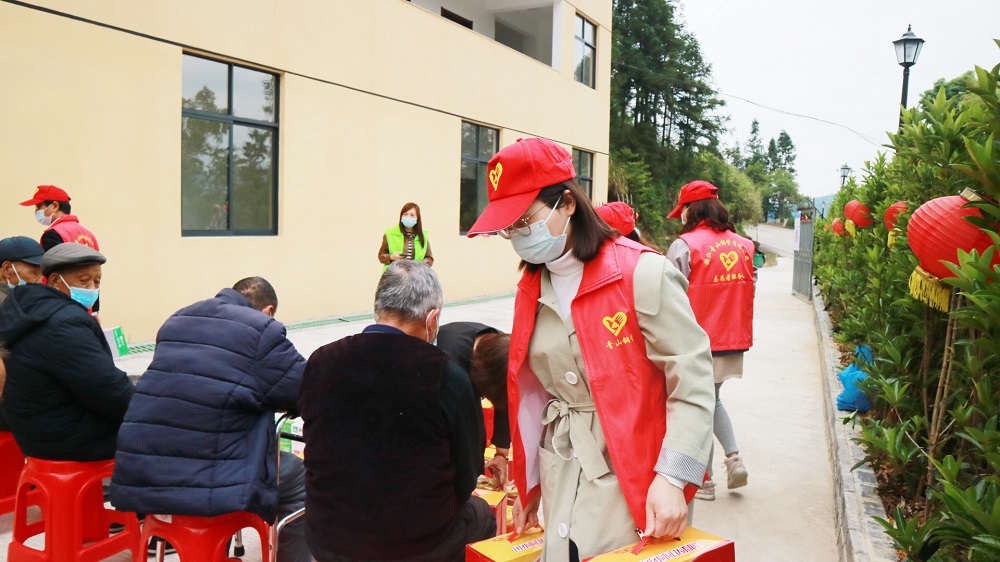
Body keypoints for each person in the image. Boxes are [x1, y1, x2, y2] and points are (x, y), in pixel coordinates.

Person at [466, 137, 715, 561]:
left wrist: (674, 477)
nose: (518, 236)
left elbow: (692, 379)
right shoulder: (531, 288)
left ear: (567, 203)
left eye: (524, 221)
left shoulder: (641, 273)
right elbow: (532, 391)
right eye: (509, 228)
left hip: (634, 466)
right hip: (562, 458)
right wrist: (529, 482)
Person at [300, 261, 494, 562]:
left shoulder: (320, 361)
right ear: (432, 318)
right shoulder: (446, 376)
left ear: (378, 308)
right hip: (418, 544)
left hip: (327, 538)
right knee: (482, 513)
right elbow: (467, 475)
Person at [109, 277, 309, 562]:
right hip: (202, 478)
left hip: (145, 470)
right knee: (298, 476)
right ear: (268, 310)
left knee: (217, 443)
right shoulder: (261, 329)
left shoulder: (178, 319)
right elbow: (304, 390)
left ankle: (212, 552)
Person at [0, 243, 132, 461]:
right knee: (164, 432)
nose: (91, 288)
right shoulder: (64, 323)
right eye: (83, 280)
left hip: (35, 432)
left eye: (97, 281)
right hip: (65, 440)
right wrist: (148, 412)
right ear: (54, 281)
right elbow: (107, 389)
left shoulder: (27, 307)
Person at [665, 180, 755, 501]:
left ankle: (704, 479)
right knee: (711, 400)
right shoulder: (745, 246)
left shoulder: (684, 246)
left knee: (698, 406)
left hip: (695, 341)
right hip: (732, 340)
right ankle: (733, 459)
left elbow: (667, 295)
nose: (681, 216)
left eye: (683, 209)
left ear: (692, 209)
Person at [437, 321, 512, 483]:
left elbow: (505, 400)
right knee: (466, 443)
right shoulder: (450, 363)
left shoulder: (502, 349)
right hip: (440, 400)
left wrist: (501, 455)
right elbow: (463, 427)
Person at [19, 185, 100, 251]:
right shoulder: (89, 235)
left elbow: (52, 264)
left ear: (55, 206)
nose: (36, 211)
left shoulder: (52, 235)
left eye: (38, 207)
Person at [378, 202, 433, 270]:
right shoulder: (390, 233)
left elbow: (430, 259)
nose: (408, 217)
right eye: (405, 214)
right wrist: (392, 257)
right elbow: (381, 256)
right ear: (401, 216)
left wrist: (418, 264)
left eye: (412, 215)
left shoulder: (423, 236)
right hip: (395, 274)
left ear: (417, 218)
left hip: (417, 274)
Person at [0, 236, 44, 306]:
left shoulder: (18, 299)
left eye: (42, 273)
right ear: (7, 269)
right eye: (34, 273)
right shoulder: (7, 305)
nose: (41, 281)